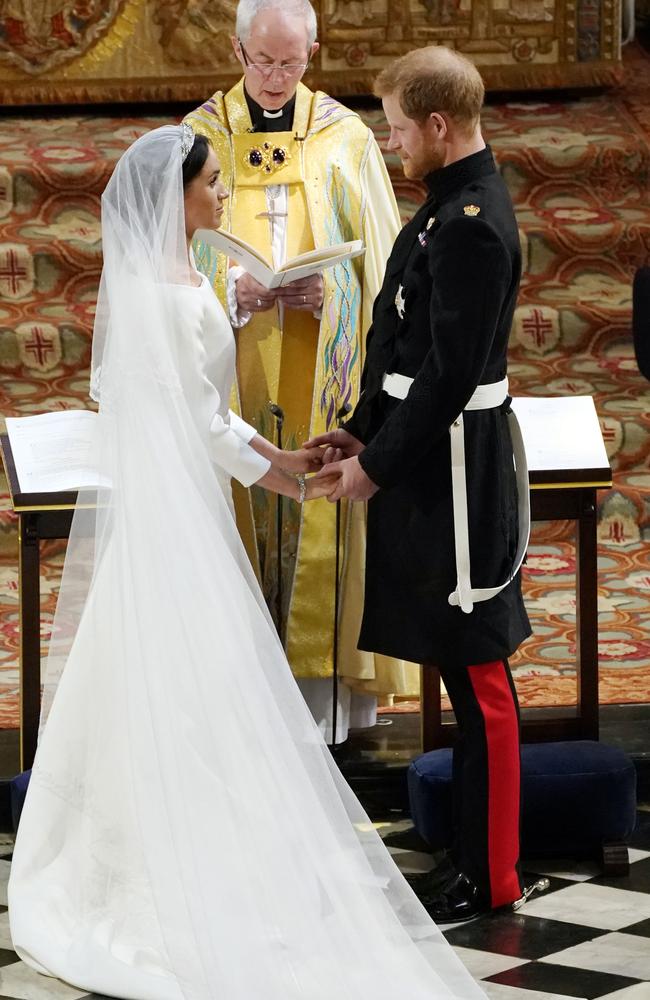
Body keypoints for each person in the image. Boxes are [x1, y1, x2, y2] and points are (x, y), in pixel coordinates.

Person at [7, 124, 487, 1000]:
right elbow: (203, 420)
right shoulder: (172, 295)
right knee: (193, 674)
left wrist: (273, 452)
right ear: (176, 195)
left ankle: (133, 848)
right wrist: (287, 478)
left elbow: (145, 393)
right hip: (187, 506)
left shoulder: (180, 284)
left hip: (181, 501)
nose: (223, 193)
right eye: (213, 182)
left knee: (157, 675)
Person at [308, 46, 543, 923]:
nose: (391, 139)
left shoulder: (475, 221)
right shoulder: (447, 206)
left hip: (456, 470)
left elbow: (448, 376)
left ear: (438, 127)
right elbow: (401, 344)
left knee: (480, 673)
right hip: (424, 457)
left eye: (399, 127)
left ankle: (498, 873)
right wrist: (362, 430)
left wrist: (374, 466)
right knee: (455, 662)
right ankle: (474, 859)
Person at [184, 0, 418, 741]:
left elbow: (380, 262)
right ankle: (235, 707)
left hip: (325, 363)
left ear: (312, 52)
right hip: (236, 363)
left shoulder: (345, 138)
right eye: (263, 60)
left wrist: (336, 291)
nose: (277, 77)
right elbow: (166, 254)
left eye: (291, 61)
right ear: (237, 49)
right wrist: (231, 290)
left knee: (322, 513)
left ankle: (324, 713)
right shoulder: (197, 138)